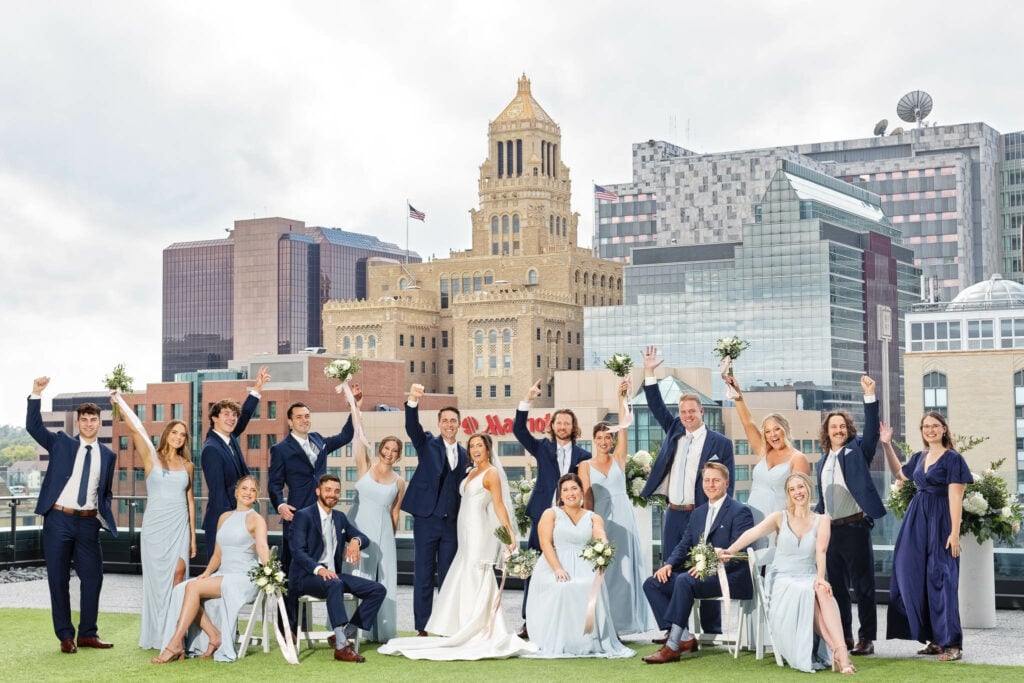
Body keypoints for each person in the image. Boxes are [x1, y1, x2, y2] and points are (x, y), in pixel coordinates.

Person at [379, 433, 536, 660]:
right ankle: (463, 624)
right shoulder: (471, 471)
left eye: (479, 445)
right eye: (471, 446)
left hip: (479, 531)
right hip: (464, 532)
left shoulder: (491, 473)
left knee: (475, 573)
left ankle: (479, 628)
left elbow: (499, 505)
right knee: (463, 573)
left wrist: (510, 534)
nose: (475, 449)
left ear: (488, 448)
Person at [639, 345, 735, 637]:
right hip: (674, 515)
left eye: (692, 411)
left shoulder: (720, 443)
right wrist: (649, 372)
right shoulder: (674, 431)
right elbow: (655, 405)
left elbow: (727, 483)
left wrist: (721, 519)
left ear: (701, 411)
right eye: (683, 412)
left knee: (704, 569)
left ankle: (712, 630)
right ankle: (674, 631)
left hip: (702, 516)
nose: (687, 415)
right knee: (669, 572)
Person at [718, 473, 857, 674]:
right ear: (788, 494)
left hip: (808, 574)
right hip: (782, 578)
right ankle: (840, 653)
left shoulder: (822, 520)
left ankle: (839, 652)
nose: (797, 492)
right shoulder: (779, 517)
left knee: (822, 591)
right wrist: (730, 550)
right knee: (808, 592)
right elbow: (752, 533)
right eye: (792, 489)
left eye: (800, 487)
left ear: (808, 488)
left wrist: (820, 578)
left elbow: (821, 551)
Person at [27, 376, 118, 654]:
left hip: (88, 523)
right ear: (78, 423)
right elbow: (34, 427)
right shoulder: (61, 443)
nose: (89, 424)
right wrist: (36, 394)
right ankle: (65, 635)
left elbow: (106, 491)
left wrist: (101, 514)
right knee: (58, 579)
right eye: (84, 420)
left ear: (100, 423)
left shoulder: (108, 455)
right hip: (59, 520)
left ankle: (88, 633)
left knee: (93, 578)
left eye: (93, 419)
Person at [641, 462, 752, 664]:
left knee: (684, 580)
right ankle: (684, 637)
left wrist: (706, 566)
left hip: (729, 576)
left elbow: (739, 553)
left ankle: (672, 646)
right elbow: (684, 545)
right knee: (653, 583)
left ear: (726, 483)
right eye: (707, 480)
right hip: (697, 576)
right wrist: (668, 564)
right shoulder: (698, 513)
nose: (710, 484)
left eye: (715, 480)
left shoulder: (740, 511)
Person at [882, 414, 972, 662]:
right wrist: (887, 445)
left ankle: (952, 643)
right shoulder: (919, 457)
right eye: (925, 426)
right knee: (911, 574)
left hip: (941, 521)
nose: (930, 430)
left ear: (944, 429)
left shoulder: (953, 459)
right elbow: (900, 474)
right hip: (916, 521)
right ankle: (935, 639)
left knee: (942, 578)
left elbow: (956, 497)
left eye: (935, 426)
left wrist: (954, 532)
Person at [153, 475, 270, 663]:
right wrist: (207, 573)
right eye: (244, 488)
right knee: (181, 589)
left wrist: (270, 574)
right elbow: (217, 555)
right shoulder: (224, 517)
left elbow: (263, 547)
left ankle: (175, 643)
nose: (248, 493)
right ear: (236, 492)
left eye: (253, 490)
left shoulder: (257, 520)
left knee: (193, 588)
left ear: (257, 496)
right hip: (223, 574)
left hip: (243, 576)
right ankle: (215, 635)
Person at [111, 391, 196, 650]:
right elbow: (136, 429)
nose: (178, 437)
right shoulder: (151, 457)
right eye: (175, 432)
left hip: (179, 527)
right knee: (157, 584)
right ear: (167, 434)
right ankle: (159, 635)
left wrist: (193, 537)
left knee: (179, 577)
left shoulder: (188, 465)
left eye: (183, 435)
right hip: (154, 529)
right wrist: (120, 403)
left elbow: (190, 501)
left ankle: (175, 636)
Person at [525, 473, 635, 659]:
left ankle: (586, 641)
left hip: (584, 564)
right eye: (565, 490)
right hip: (554, 564)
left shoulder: (594, 517)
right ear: (560, 495)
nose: (570, 493)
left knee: (587, 586)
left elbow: (599, 534)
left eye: (574, 488)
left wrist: (603, 547)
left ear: (582, 492)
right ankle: (562, 642)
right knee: (564, 588)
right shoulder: (551, 514)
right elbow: (545, 543)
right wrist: (557, 568)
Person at [513, 378, 592, 635]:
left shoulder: (584, 457)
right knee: (534, 566)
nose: (562, 426)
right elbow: (519, 430)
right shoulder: (541, 447)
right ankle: (529, 620)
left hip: (570, 521)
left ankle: (566, 619)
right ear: (553, 426)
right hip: (542, 517)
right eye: (558, 422)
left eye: (567, 423)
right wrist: (528, 399)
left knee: (567, 567)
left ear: (573, 427)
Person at [577, 380, 656, 635]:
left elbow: (624, 427)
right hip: (601, 519)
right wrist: (590, 526)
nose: (604, 441)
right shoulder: (584, 466)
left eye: (607, 437)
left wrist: (621, 397)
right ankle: (604, 621)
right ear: (593, 440)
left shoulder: (619, 458)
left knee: (626, 570)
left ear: (612, 440)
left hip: (624, 518)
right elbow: (587, 498)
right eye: (599, 437)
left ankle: (626, 623)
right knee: (605, 570)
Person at [814, 375, 883, 657]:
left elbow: (873, 432)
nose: (839, 430)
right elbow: (822, 499)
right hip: (830, 531)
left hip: (855, 527)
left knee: (864, 587)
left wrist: (869, 395)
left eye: (842, 426)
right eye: (834, 426)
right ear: (827, 431)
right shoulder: (822, 461)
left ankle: (866, 638)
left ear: (848, 429)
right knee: (838, 589)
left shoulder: (857, 451)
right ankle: (845, 636)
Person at [288, 474, 387, 664]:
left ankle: (343, 634)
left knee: (377, 590)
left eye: (336, 491)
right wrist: (319, 569)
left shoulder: (339, 518)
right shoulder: (303, 516)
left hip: (333, 575)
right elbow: (297, 552)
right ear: (318, 491)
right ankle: (342, 647)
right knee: (335, 583)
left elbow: (363, 538)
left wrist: (355, 541)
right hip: (307, 576)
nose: (332, 494)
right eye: (328, 490)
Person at [400, 383, 468, 635]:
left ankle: (445, 624)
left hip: (452, 523)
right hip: (426, 520)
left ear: (459, 425)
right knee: (424, 574)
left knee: (449, 576)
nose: (449, 425)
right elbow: (412, 427)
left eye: (453, 421)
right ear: (439, 424)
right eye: (445, 421)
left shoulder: (465, 454)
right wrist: (413, 399)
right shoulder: (427, 443)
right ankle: (422, 626)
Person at [341, 388, 406, 643]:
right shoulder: (364, 465)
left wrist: (391, 538)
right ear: (380, 449)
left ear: (398, 455)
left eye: (394, 450)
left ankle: (382, 630)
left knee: (384, 578)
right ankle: (347, 629)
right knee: (355, 574)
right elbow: (358, 435)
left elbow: (395, 512)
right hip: (357, 527)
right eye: (387, 448)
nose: (389, 453)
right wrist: (355, 406)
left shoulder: (399, 482)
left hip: (384, 534)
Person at [268, 394, 354, 573]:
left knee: (324, 555)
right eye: (299, 417)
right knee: (294, 560)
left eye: (307, 416)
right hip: (297, 511)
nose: (304, 420)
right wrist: (280, 505)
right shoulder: (280, 449)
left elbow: (345, 436)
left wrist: (353, 407)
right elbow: (274, 484)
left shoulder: (318, 439)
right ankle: (289, 592)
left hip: (323, 508)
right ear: (290, 422)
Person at [724, 374, 810, 548]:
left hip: (777, 524)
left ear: (786, 430)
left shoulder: (798, 458)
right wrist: (738, 394)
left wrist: (784, 529)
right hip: (751, 519)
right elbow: (748, 423)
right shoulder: (763, 452)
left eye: (777, 429)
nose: (773, 435)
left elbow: (799, 499)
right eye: (768, 431)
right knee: (751, 560)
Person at [200, 366, 269, 561]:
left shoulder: (228, 438)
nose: (232, 419)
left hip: (238, 518)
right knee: (221, 571)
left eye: (234, 415)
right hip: (223, 523)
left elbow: (244, 416)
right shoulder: (212, 448)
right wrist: (233, 522)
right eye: (226, 414)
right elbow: (218, 493)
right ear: (214, 418)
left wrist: (257, 389)